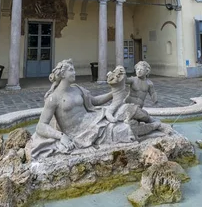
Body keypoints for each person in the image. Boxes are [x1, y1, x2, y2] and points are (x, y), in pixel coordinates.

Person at [28, 59, 160, 160]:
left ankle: (151, 121)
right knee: (125, 129)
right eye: (71, 70)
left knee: (128, 108)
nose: (75, 72)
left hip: (94, 119)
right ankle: (154, 127)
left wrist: (112, 94)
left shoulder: (77, 89)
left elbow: (95, 101)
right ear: (62, 74)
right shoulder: (54, 98)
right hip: (81, 132)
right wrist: (61, 137)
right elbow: (41, 126)